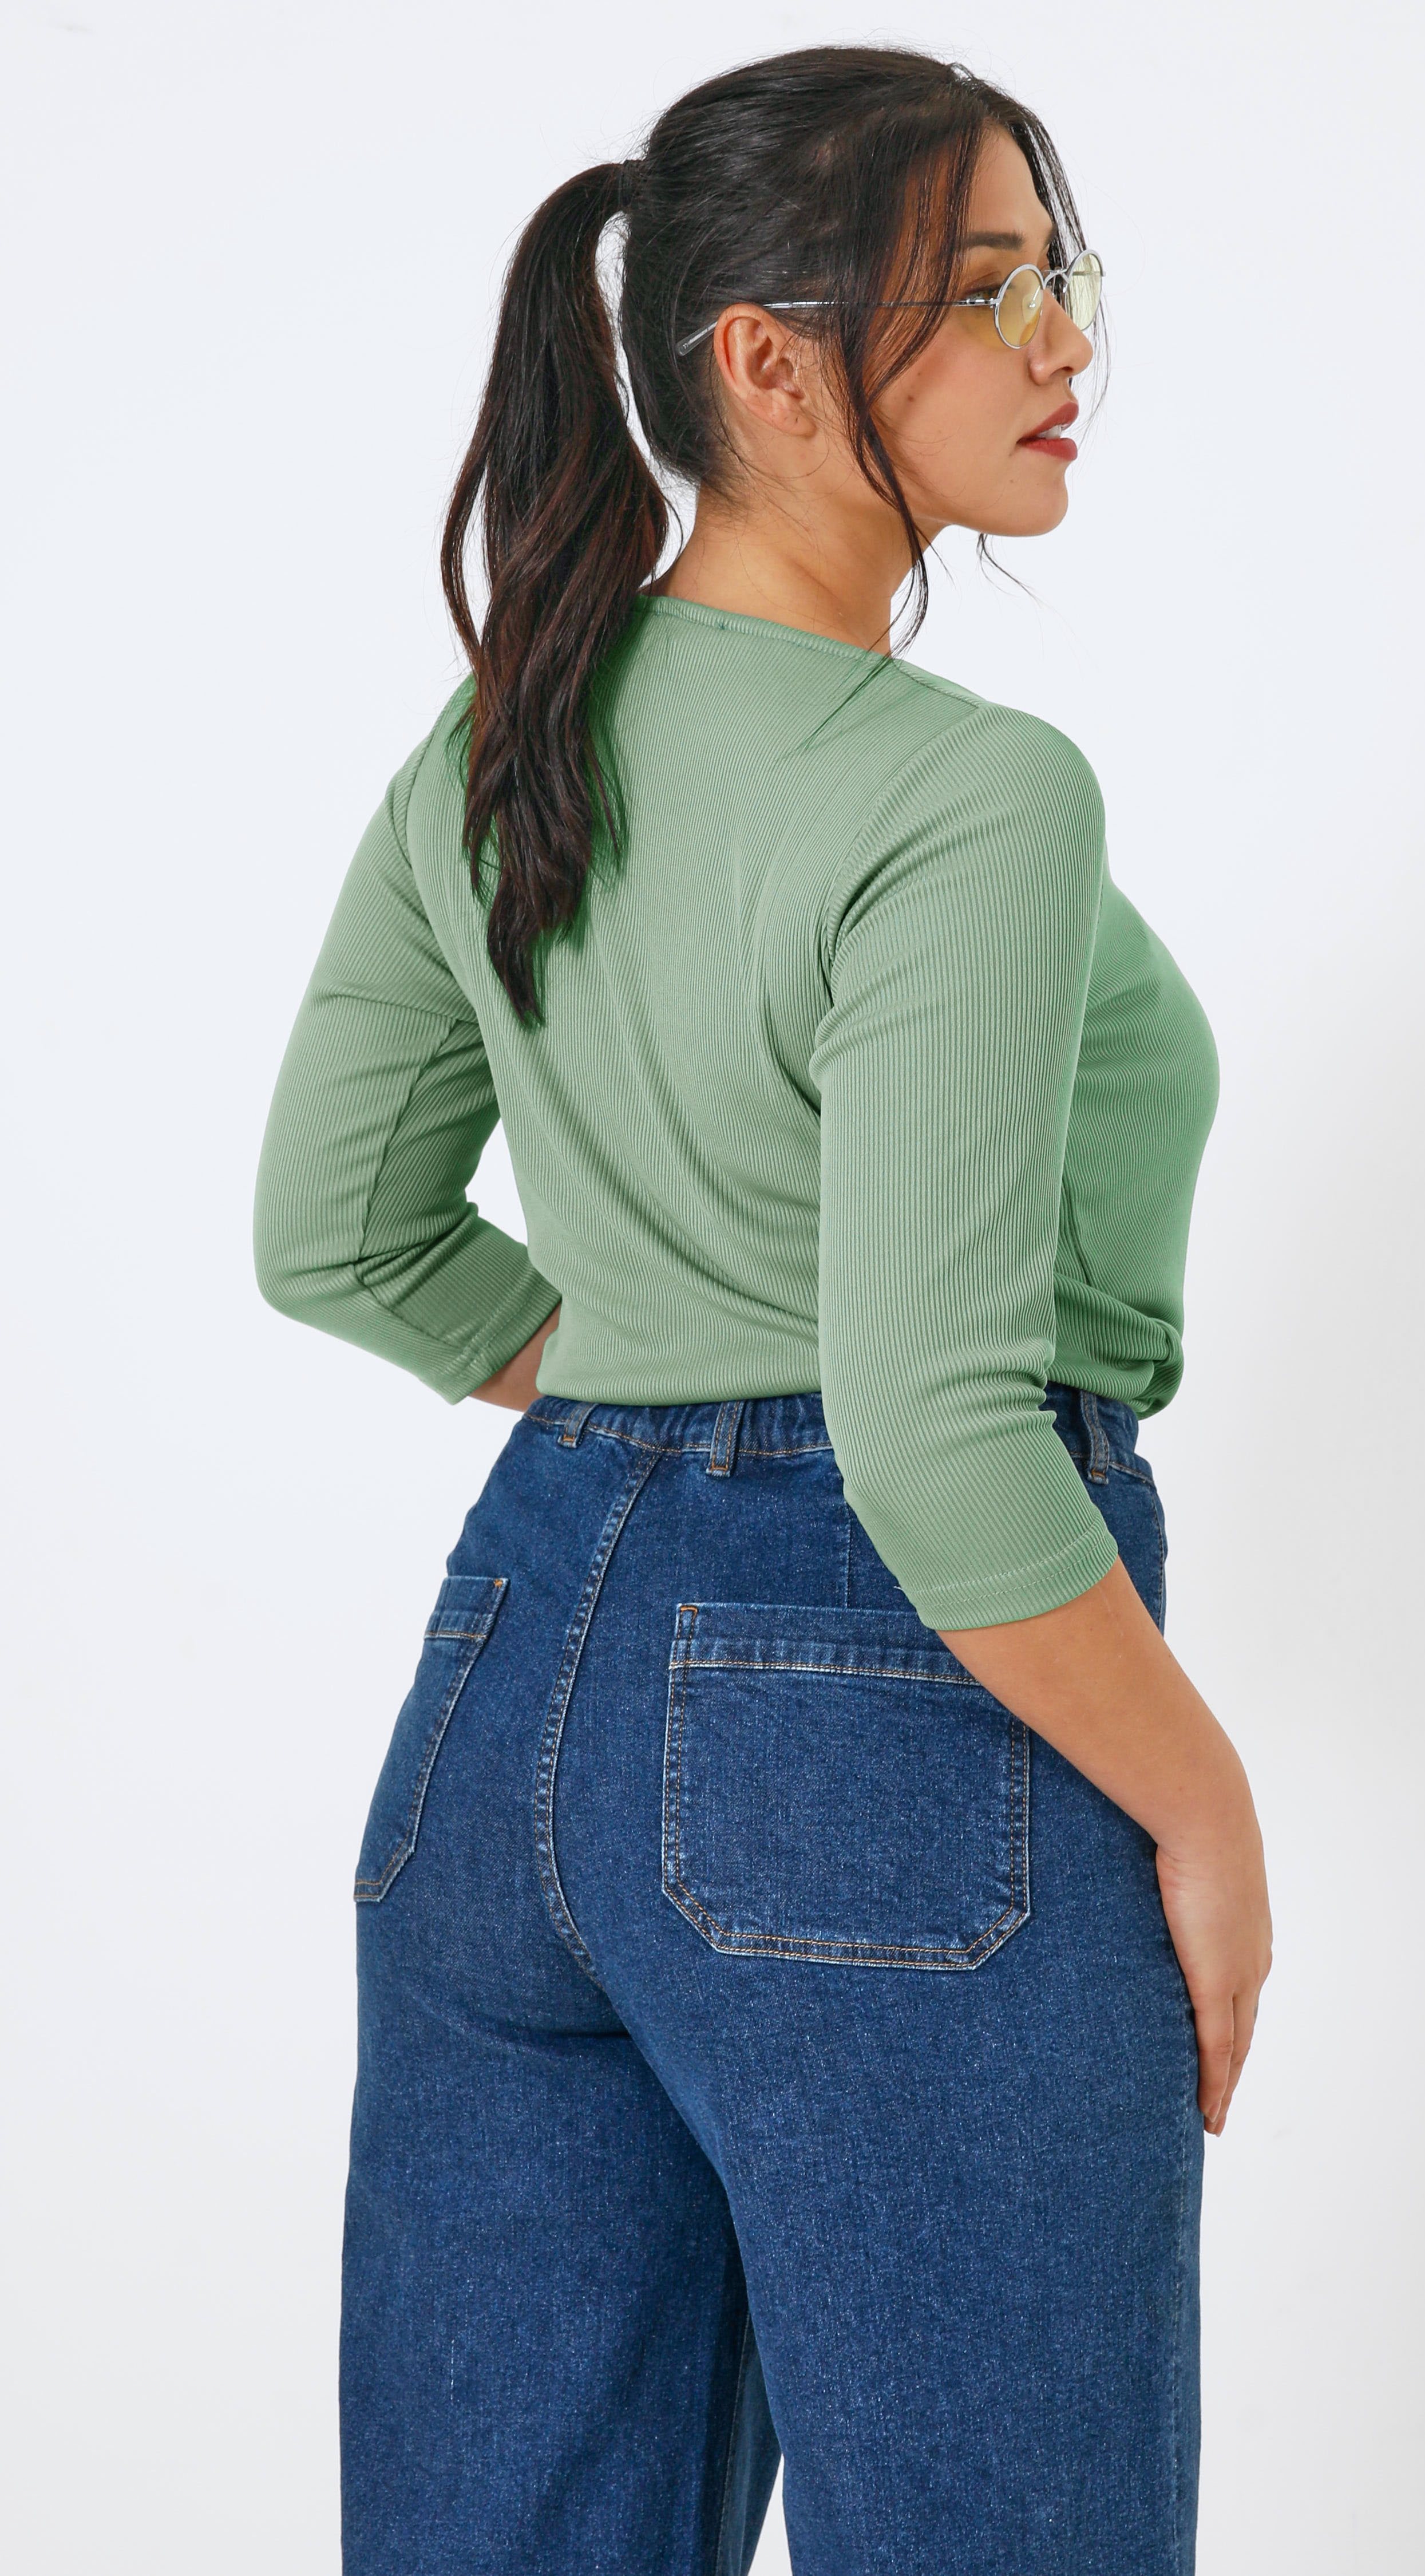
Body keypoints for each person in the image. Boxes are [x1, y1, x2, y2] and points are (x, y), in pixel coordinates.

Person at [254, 42, 1272, 2576]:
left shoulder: (501, 738)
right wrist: (1204, 1803)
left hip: (512, 1694)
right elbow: (930, 1436)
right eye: (988, 289)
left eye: (1064, 277)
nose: (1063, 343)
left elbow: (337, 1232)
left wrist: (637, 1372)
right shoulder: (968, 792)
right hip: (888, 1733)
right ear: (772, 363)